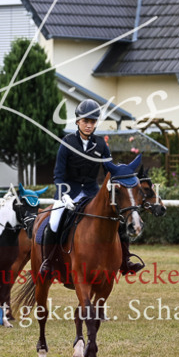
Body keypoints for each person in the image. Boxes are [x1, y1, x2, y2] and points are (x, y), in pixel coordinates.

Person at [39, 99, 142, 277]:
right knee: (54, 222)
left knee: (119, 221)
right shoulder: (67, 143)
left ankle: (125, 261)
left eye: (92, 122)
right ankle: (48, 262)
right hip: (68, 193)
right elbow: (58, 175)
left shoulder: (101, 145)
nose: (89, 125)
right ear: (78, 121)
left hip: (91, 193)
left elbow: (111, 169)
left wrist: (126, 171)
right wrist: (64, 196)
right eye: (85, 121)